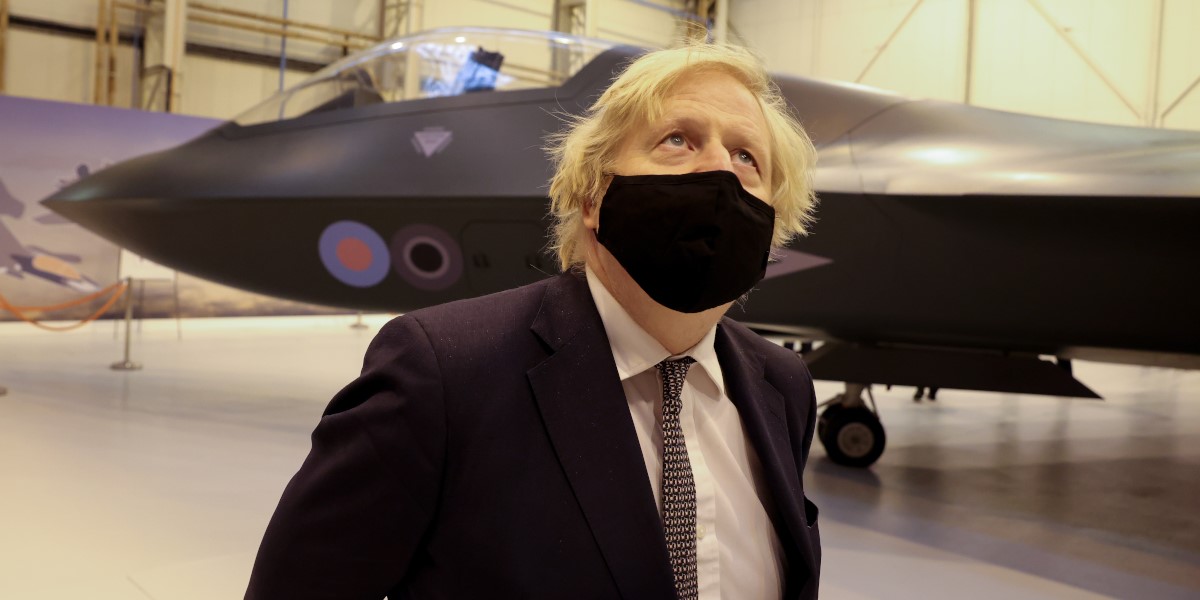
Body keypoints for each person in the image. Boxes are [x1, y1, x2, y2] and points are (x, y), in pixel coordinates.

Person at [246, 41, 821, 600]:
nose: (720, 169)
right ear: (594, 197)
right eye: (678, 140)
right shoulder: (444, 374)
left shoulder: (782, 386)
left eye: (747, 157)